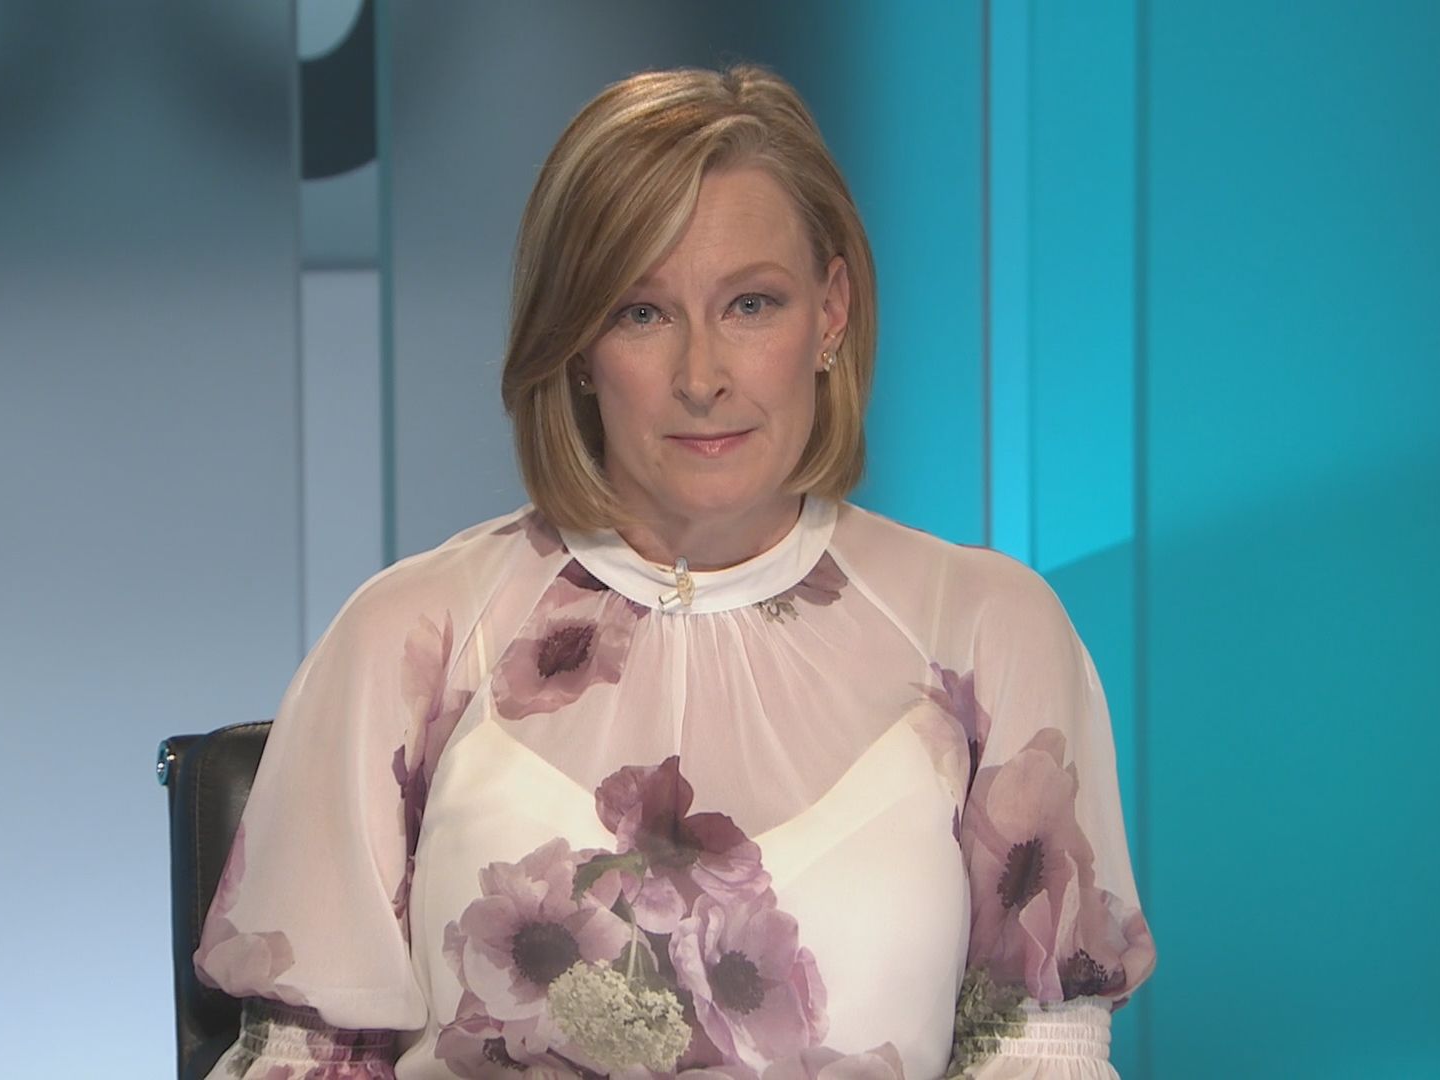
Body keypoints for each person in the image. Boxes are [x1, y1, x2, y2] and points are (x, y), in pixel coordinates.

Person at [193, 63, 1156, 1080]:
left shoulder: (988, 631)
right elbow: (305, 1061)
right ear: (575, 344)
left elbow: (1040, 1057)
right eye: (641, 313)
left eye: (751, 304)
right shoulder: (411, 636)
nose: (702, 377)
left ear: (831, 313)